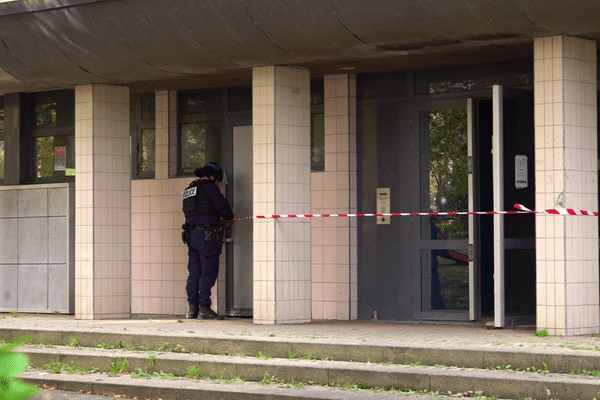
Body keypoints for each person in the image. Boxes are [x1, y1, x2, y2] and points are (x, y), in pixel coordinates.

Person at [181, 162, 234, 320]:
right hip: (207, 236)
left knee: (194, 273)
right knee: (208, 271)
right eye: (217, 179)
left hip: (191, 235)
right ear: (213, 177)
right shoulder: (210, 187)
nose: (217, 182)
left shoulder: (189, 189)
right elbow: (223, 209)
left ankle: (193, 309)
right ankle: (204, 308)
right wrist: (230, 217)